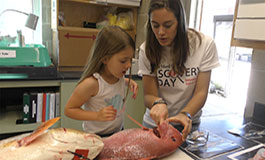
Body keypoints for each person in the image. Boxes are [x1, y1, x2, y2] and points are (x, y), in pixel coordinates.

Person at [138, 0, 220, 140]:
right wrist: (158, 102)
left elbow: (201, 92)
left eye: (168, 25)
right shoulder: (146, 49)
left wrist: (185, 114)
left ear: (180, 22)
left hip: (188, 123)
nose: (161, 32)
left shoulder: (203, 44)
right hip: (155, 125)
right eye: (155, 25)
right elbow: (148, 96)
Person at [64, 26, 138, 137]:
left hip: (118, 133)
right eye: (123, 60)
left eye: (130, 60)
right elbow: (69, 110)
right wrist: (97, 115)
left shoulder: (118, 76)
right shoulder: (92, 84)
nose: (128, 65)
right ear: (105, 59)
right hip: (95, 137)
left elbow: (113, 85)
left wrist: (128, 82)